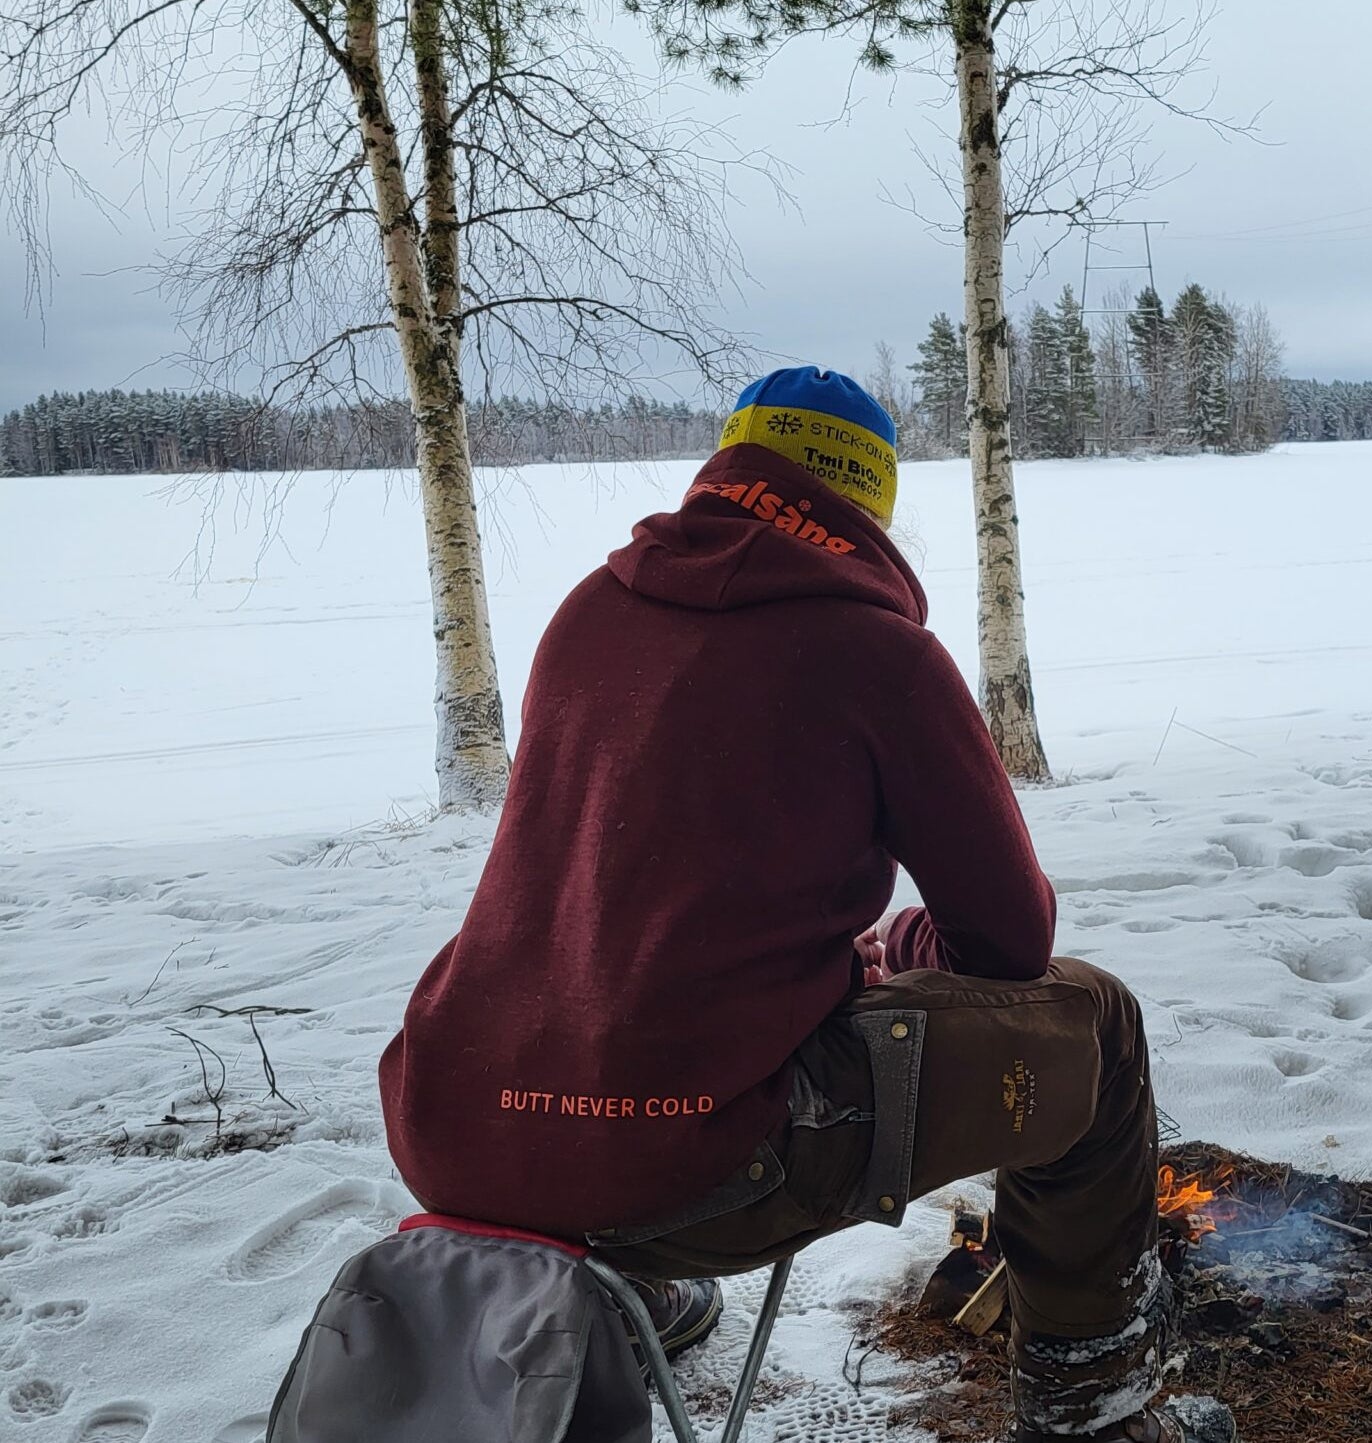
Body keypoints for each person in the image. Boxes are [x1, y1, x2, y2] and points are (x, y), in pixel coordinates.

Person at [378, 367, 1231, 1443]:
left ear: (725, 468)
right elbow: (1010, 940)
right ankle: (1093, 1414)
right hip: (686, 1159)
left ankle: (629, 1290)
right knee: (1096, 1022)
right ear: (865, 503)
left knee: (616, 1023)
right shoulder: (879, 654)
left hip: (450, 1122)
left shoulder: (589, 609)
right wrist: (905, 945)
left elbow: (610, 889)